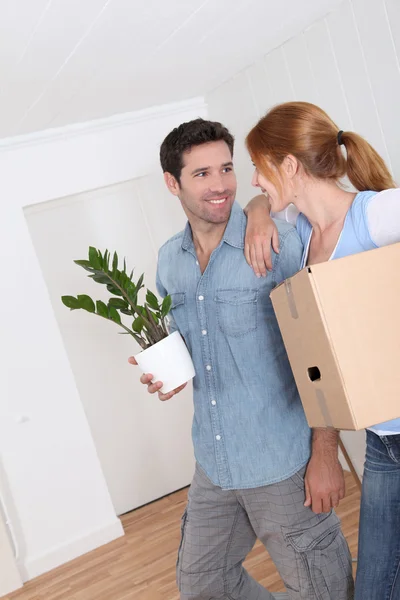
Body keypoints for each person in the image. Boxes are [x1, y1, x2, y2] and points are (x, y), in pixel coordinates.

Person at [129, 118, 354, 600]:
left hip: (282, 460)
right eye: (202, 174)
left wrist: (324, 452)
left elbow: (322, 349)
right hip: (214, 463)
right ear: (173, 183)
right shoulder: (170, 261)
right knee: (202, 583)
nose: (221, 184)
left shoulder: (276, 241)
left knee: (323, 589)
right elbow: (197, 346)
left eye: (227, 168)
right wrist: (165, 372)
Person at [244, 100, 400, 600]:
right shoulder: (309, 237)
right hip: (384, 438)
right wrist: (258, 209)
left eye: (259, 168)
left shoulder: (374, 213)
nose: (254, 181)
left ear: (289, 165)